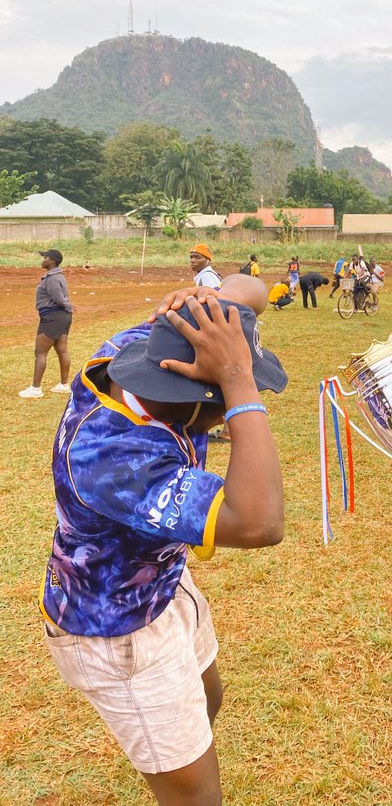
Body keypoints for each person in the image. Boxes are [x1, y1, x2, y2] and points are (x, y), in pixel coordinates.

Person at [39, 285, 287, 804]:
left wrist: (199, 298)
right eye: (221, 411)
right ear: (198, 396)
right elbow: (258, 523)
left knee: (206, 697)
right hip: (118, 631)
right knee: (197, 796)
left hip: (161, 584)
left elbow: (253, 291)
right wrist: (240, 385)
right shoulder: (114, 456)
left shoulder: (146, 350)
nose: (224, 423)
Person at [19, 249, 76, 399]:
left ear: (52, 261)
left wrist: (68, 305)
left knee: (40, 352)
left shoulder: (51, 278)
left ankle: (35, 388)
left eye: (45, 257)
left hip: (52, 317)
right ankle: (64, 385)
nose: (43, 259)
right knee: (62, 350)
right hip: (61, 317)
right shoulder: (59, 276)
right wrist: (68, 307)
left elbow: (58, 298)